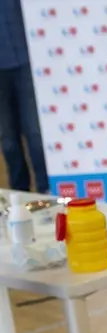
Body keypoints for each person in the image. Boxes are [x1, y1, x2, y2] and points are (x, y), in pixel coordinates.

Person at [0, 0, 49, 193]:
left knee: (35, 133)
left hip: (30, 62)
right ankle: (19, 193)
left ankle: (46, 189)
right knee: (8, 139)